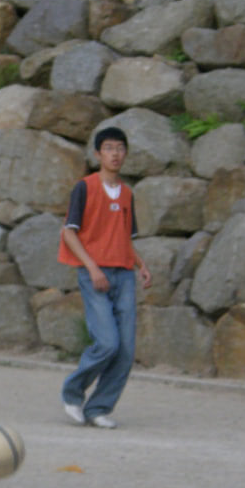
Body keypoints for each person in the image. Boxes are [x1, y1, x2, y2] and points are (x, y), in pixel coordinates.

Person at [58, 126, 152, 429]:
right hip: (94, 273)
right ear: (98, 154)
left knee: (125, 351)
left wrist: (141, 264)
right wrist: (93, 268)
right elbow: (69, 233)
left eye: (121, 148)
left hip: (124, 274)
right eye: (109, 148)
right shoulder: (84, 188)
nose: (116, 154)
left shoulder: (126, 194)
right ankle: (73, 393)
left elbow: (123, 237)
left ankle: (98, 408)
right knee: (108, 343)